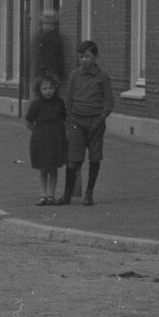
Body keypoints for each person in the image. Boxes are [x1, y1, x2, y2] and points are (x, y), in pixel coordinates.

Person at [58, 39, 118, 205]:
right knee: (73, 159)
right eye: (80, 57)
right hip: (77, 121)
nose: (83, 60)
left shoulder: (103, 77)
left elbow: (109, 101)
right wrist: (69, 119)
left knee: (94, 157)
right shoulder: (75, 75)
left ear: (95, 56)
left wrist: (101, 118)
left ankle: (89, 192)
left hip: (95, 123)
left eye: (87, 56)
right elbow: (69, 99)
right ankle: (67, 194)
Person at [25, 72, 69, 205]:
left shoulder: (59, 102)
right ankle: (42, 194)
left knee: (54, 167)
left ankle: (51, 195)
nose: (48, 91)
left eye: (51, 88)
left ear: (55, 88)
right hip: (41, 139)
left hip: (56, 139)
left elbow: (64, 117)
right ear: (39, 90)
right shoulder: (37, 104)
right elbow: (29, 121)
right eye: (44, 89)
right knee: (43, 168)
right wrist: (38, 131)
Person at [32, 12, 67, 88]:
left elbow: (51, 58)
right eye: (44, 23)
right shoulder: (41, 36)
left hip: (49, 74)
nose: (44, 26)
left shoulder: (51, 38)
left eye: (47, 23)